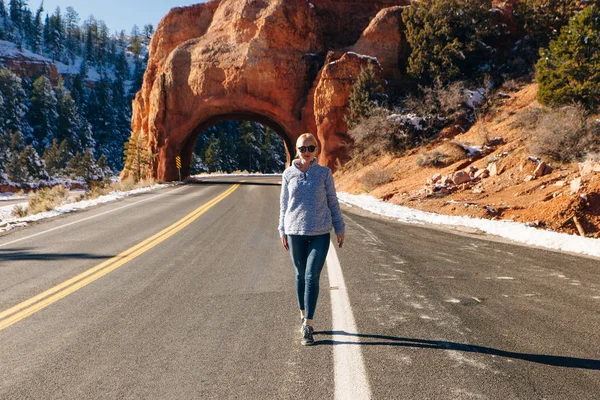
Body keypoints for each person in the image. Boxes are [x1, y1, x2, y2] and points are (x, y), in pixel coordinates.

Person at [278, 133, 345, 346]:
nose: (306, 152)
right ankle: (302, 313)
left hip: (320, 232)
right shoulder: (288, 174)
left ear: (316, 149)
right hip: (294, 231)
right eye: (302, 148)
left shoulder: (324, 173)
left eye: (310, 148)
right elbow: (284, 204)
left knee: (311, 276)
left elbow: (333, 202)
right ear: (296, 150)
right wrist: (282, 230)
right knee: (299, 275)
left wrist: (339, 227)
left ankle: (308, 324)